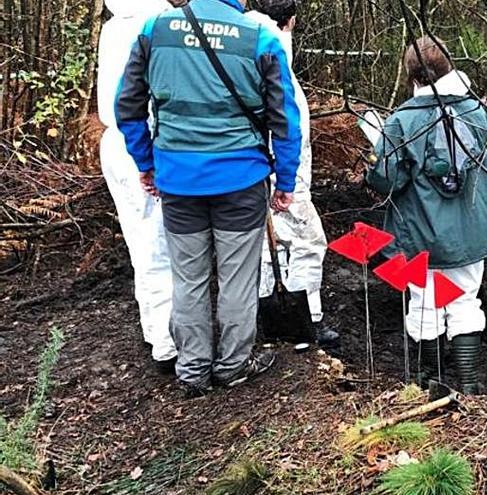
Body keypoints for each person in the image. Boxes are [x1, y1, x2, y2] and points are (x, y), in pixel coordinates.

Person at [115, 0, 303, 397]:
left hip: (179, 181)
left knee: (188, 278)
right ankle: (233, 366)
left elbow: (127, 107)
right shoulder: (260, 36)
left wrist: (146, 162)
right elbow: (284, 119)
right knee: (237, 279)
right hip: (241, 182)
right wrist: (285, 180)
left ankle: (192, 370)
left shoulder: (154, 31)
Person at [365, 36, 487, 394]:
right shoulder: (476, 113)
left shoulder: (401, 121)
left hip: (418, 238)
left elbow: (386, 181)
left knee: (425, 302)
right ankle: (470, 386)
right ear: (448, 66)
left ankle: (428, 381)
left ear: (412, 77)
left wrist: (377, 149)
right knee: (464, 300)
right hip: (470, 236)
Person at [245, 0, 338, 347]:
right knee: (307, 243)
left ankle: (268, 316)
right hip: (283, 173)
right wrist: (287, 181)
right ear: (291, 21)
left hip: (252, 170)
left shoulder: (244, 42)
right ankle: (306, 321)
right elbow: (286, 126)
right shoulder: (273, 52)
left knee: (265, 245)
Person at [98, 0, 177, 373]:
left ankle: (156, 330)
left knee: (141, 243)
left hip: (115, 142)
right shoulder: (156, 21)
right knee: (161, 242)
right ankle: (168, 341)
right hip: (143, 139)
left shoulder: (114, 25)